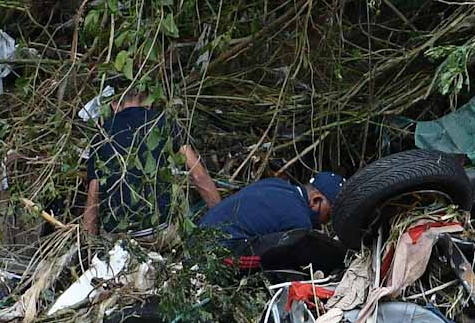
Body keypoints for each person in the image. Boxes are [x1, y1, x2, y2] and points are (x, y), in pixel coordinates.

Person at [81, 81, 222, 237]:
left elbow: (93, 194)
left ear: (114, 104)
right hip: (160, 232)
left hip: (117, 238)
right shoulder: (164, 122)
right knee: (177, 183)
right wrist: (222, 223)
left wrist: (89, 244)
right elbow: (198, 175)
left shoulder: (102, 135)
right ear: (149, 101)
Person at [197, 171, 344, 247]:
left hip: (197, 238)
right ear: (315, 200)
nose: (327, 221)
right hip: (215, 252)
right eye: (329, 213)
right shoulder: (299, 220)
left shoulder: (275, 184)